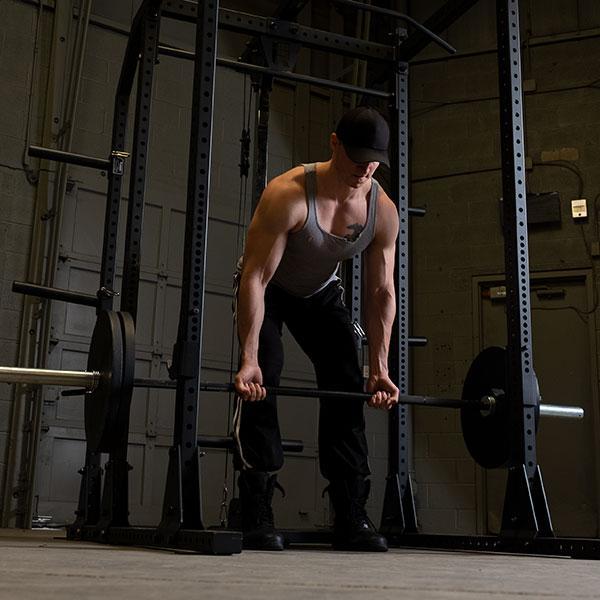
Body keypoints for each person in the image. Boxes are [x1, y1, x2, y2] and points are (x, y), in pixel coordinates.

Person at [233, 106, 399, 552]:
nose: (364, 169)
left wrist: (380, 367)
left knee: (345, 374)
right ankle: (255, 506)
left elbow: (382, 292)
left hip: (321, 293)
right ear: (334, 144)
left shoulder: (381, 210)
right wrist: (248, 357)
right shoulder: (288, 193)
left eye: (373, 161)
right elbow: (255, 278)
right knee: (264, 374)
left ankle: (350, 512)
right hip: (271, 288)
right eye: (356, 157)